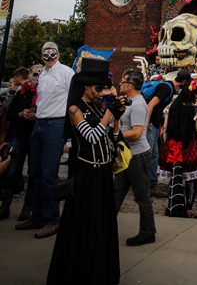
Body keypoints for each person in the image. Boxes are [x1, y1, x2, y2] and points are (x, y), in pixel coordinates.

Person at [46, 58, 125, 285]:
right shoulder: (74, 109)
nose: (101, 93)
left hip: (102, 175)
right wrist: (109, 113)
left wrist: (116, 120)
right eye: (97, 88)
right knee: (86, 225)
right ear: (86, 87)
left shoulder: (96, 107)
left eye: (103, 88)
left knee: (102, 224)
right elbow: (90, 137)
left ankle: (100, 272)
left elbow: (112, 139)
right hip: (86, 175)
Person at [16, 42, 73, 238]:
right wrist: (34, 112)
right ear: (42, 57)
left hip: (55, 125)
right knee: (35, 172)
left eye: (53, 54)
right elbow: (43, 99)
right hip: (39, 124)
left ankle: (52, 219)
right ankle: (37, 216)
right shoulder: (44, 75)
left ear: (58, 54)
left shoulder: (66, 72)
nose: (50, 57)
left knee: (49, 174)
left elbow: (73, 98)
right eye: (46, 55)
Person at [114, 69, 156, 246]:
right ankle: (103, 226)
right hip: (126, 154)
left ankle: (147, 232)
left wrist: (115, 136)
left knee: (141, 196)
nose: (119, 84)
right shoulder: (128, 101)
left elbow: (138, 133)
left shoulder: (138, 104)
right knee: (115, 192)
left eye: (122, 82)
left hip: (137, 155)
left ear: (130, 86)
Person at [159, 78, 197, 217]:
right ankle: (188, 208)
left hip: (173, 146)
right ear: (191, 95)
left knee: (175, 177)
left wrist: (166, 145)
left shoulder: (170, 107)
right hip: (190, 146)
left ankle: (172, 205)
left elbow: (165, 128)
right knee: (191, 180)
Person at [0, 64, 41, 220]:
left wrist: (37, 115)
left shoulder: (44, 93)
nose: (37, 77)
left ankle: (27, 207)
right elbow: (8, 113)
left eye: (40, 74)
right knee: (13, 170)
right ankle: (5, 206)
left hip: (35, 136)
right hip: (19, 135)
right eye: (35, 74)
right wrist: (20, 114)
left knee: (33, 172)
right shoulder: (22, 92)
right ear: (29, 76)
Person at [146, 68, 190, 198]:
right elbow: (151, 105)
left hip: (154, 124)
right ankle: (147, 187)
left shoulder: (167, 86)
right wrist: (146, 125)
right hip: (150, 125)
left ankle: (152, 186)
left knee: (153, 155)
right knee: (149, 155)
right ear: (183, 82)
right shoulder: (167, 89)